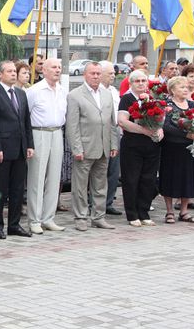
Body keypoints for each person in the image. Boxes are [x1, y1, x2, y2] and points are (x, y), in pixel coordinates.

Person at [0, 60, 34, 239]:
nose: (14, 74)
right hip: (2, 150)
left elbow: (26, 121)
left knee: (18, 189)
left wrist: (29, 145)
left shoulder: (21, 94)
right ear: (0, 74)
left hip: (19, 149)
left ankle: (14, 224)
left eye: (14, 71)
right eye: (10, 71)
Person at [66, 62, 118, 231]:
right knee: (80, 186)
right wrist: (77, 149)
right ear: (84, 75)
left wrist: (113, 143)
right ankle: (80, 217)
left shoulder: (107, 94)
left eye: (98, 73)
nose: (95, 76)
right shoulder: (75, 95)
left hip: (103, 147)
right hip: (85, 148)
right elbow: (72, 125)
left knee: (101, 185)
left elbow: (112, 122)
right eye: (92, 73)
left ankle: (98, 216)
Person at [25, 58, 67, 234]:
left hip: (57, 132)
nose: (57, 70)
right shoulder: (34, 91)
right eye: (53, 67)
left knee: (54, 177)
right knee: (37, 177)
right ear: (44, 70)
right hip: (39, 132)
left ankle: (48, 217)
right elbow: (25, 116)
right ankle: (34, 219)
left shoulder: (62, 90)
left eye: (59, 67)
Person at [117, 70, 163, 227]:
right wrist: (145, 131)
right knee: (131, 179)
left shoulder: (152, 98)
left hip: (151, 145)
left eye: (144, 80)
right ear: (131, 84)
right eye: (137, 81)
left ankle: (144, 212)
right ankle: (132, 214)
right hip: (133, 144)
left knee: (148, 179)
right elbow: (122, 121)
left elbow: (160, 119)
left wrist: (159, 131)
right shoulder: (127, 99)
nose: (141, 83)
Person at [159, 76, 194, 223]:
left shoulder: (192, 104)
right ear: (172, 90)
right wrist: (186, 134)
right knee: (171, 178)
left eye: (186, 87)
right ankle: (169, 211)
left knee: (187, 178)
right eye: (181, 87)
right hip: (172, 147)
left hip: (189, 149)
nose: (185, 89)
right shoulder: (167, 105)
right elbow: (166, 126)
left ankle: (184, 210)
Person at [99, 61, 123, 216]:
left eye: (114, 73)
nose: (113, 76)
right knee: (100, 170)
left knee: (114, 171)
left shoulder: (114, 91)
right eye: (110, 73)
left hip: (115, 131)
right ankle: (95, 202)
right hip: (100, 133)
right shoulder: (97, 91)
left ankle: (108, 202)